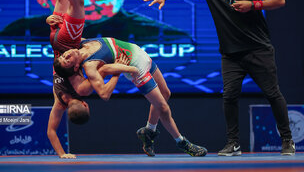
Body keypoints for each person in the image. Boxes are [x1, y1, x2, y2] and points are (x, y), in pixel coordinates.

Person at [143, 0, 295, 156]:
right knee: (229, 97)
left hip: (258, 49)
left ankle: (287, 140)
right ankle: (233, 143)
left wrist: (254, 5)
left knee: (273, 94)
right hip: (230, 54)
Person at [35, 0, 131, 159]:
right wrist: (62, 155)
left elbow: (105, 79)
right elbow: (51, 131)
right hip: (56, 44)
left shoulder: (84, 90)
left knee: (77, 3)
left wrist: (118, 69)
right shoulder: (58, 101)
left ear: (87, 106)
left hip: (69, 44)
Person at [53, 37, 208, 157]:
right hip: (136, 69)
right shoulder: (90, 66)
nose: (66, 55)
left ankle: (148, 131)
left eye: (64, 56)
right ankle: (181, 142)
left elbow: (61, 33)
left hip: (140, 54)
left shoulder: (82, 43)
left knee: (166, 93)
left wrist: (50, 20)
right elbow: (104, 94)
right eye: (66, 60)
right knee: (163, 107)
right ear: (74, 67)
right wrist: (117, 74)